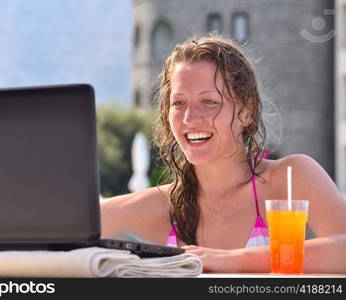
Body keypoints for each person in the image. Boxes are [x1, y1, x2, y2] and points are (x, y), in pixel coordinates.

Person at [100, 34, 346, 274]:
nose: (190, 118)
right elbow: (70, 228)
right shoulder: (159, 206)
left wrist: (234, 261)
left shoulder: (290, 178)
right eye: (178, 103)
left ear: (246, 112)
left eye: (209, 102)